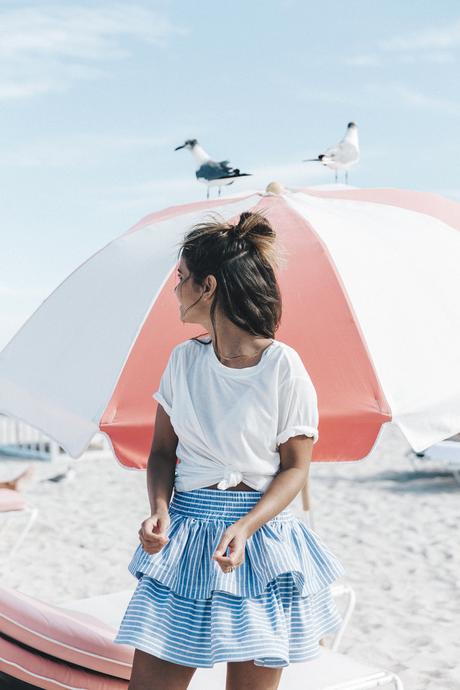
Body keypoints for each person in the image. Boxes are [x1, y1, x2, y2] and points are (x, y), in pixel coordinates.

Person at [114, 211, 346, 690]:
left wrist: (245, 526)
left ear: (208, 286)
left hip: (261, 542)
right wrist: (159, 509)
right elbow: (160, 454)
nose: (174, 289)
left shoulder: (283, 367)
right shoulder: (182, 361)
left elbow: (296, 468)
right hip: (186, 535)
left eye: (181, 278)